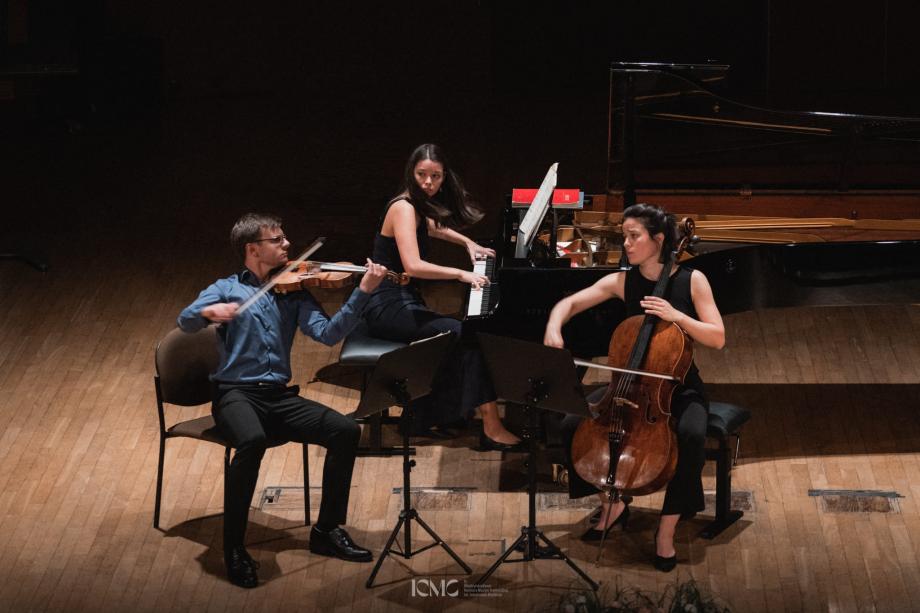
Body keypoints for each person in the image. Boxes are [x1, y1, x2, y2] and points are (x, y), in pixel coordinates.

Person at [177, 212, 388, 588]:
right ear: (252, 249)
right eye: (278, 240)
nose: (288, 244)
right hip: (235, 396)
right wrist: (209, 312)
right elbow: (186, 320)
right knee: (252, 441)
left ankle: (326, 531)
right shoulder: (227, 288)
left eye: (285, 237)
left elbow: (327, 334)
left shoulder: (293, 291)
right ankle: (234, 548)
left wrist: (363, 292)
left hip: (277, 397)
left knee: (344, 430)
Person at [543, 203, 725, 572]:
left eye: (633, 236)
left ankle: (667, 530)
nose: (625, 243)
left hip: (676, 386)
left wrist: (677, 316)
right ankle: (613, 505)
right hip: (626, 383)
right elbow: (571, 301)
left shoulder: (692, 280)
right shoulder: (624, 280)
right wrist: (553, 326)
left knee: (690, 436)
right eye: (624, 236)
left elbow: (718, 337)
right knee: (569, 423)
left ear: (658, 240)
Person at [362, 143, 520, 449]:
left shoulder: (417, 205)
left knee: (461, 336)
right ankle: (488, 422)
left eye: (435, 176)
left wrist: (467, 243)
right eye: (422, 175)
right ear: (411, 172)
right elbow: (414, 265)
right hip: (385, 304)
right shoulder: (403, 207)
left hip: (403, 298)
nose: (428, 183)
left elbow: (434, 228)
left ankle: (431, 415)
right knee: (464, 334)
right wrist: (461, 273)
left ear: (444, 176)